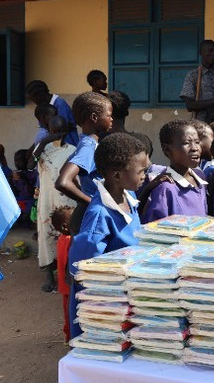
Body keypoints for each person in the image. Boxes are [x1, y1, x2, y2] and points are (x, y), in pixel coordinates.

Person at [68, 132, 148, 338]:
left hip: (128, 290)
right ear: (117, 175)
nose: (145, 176)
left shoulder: (128, 195)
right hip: (106, 301)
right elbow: (82, 270)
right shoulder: (99, 216)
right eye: (141, 171)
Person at [55, 92, 114, 234]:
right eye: (109, 115)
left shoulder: (86, 142)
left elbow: (64, 169)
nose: (112, 119)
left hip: (85, 213)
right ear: (94, 117)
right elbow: (63, 182)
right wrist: (91, 201)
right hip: (91, 216)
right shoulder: (89, 147)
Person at [32, 115, 77, 292]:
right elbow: (30, 163)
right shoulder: (42, 149)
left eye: (59, 132)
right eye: (53, 132)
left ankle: (66, 271)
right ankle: (49, 275)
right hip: (46, 199)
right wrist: (43, 142)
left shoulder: (72, 149)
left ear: (65, 132)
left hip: (66, 199)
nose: (56, 135)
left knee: (67, 235)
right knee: (46, 235)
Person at [141, 120, 209, 223]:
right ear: (167, 149)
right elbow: (156, 232)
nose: (194, 148)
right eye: (186, 143)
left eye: (197, 142)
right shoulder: (166, 188)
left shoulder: (199, 180)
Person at [179, 39, 214, 122]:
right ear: (201, 53)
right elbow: (190, 105)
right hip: (203, 124)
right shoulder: (193, 75)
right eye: (210, 51)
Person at [26, 80, 79, 146]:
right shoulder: (43, 107)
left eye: (34, 100)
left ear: (40, 95)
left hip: (67, 143)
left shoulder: (59, 104)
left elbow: (61, 128)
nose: (35, 103)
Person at [51, 205, 73, 343]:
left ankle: (68, 336)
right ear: (65, 226)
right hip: (69, 286)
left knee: (67, 313)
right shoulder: (70, 240)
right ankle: (70, 337)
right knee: (71, 313)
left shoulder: (62, 239)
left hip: (64, 286)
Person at [12, 149, 37, 227]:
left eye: (20, 161)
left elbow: (32, 192)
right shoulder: (15, 174)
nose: (17, 163)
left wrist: (25, 179)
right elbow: (14, 192)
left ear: (27, 161)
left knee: (28, 213)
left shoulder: (33, 173)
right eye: (15, 161)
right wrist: (10, 180)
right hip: (19, 200)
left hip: (30, 200)